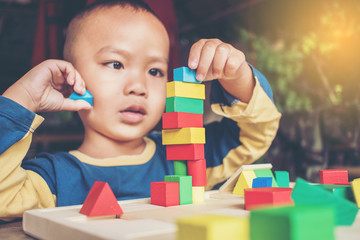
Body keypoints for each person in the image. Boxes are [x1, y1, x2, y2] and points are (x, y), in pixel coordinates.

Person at [0, 0, 281, 221]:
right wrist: (22, 98)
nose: (139, 86)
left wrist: (237, 78)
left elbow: (253, 136)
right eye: (115, 64)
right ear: (69, 77)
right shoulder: (53, 179)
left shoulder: (183, 158)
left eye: (155, 70)